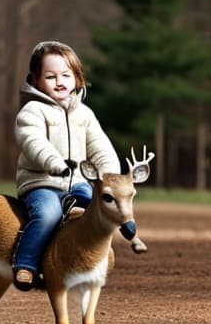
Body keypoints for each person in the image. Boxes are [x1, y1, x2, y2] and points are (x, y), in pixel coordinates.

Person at [12, 41, 146, 291]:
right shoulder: (32, 112)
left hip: (78, 183)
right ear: (36, 80)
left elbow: (100, 147)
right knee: (47, 215)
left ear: (77, 78)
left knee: (100, 206)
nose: (59, 81)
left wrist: (109, 176)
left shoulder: (84, 114)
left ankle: (109, 242)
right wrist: (55, 163)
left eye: (66, 75)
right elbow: (33, 142)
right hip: (43, 183)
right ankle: (26, 264)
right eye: (50, 76)